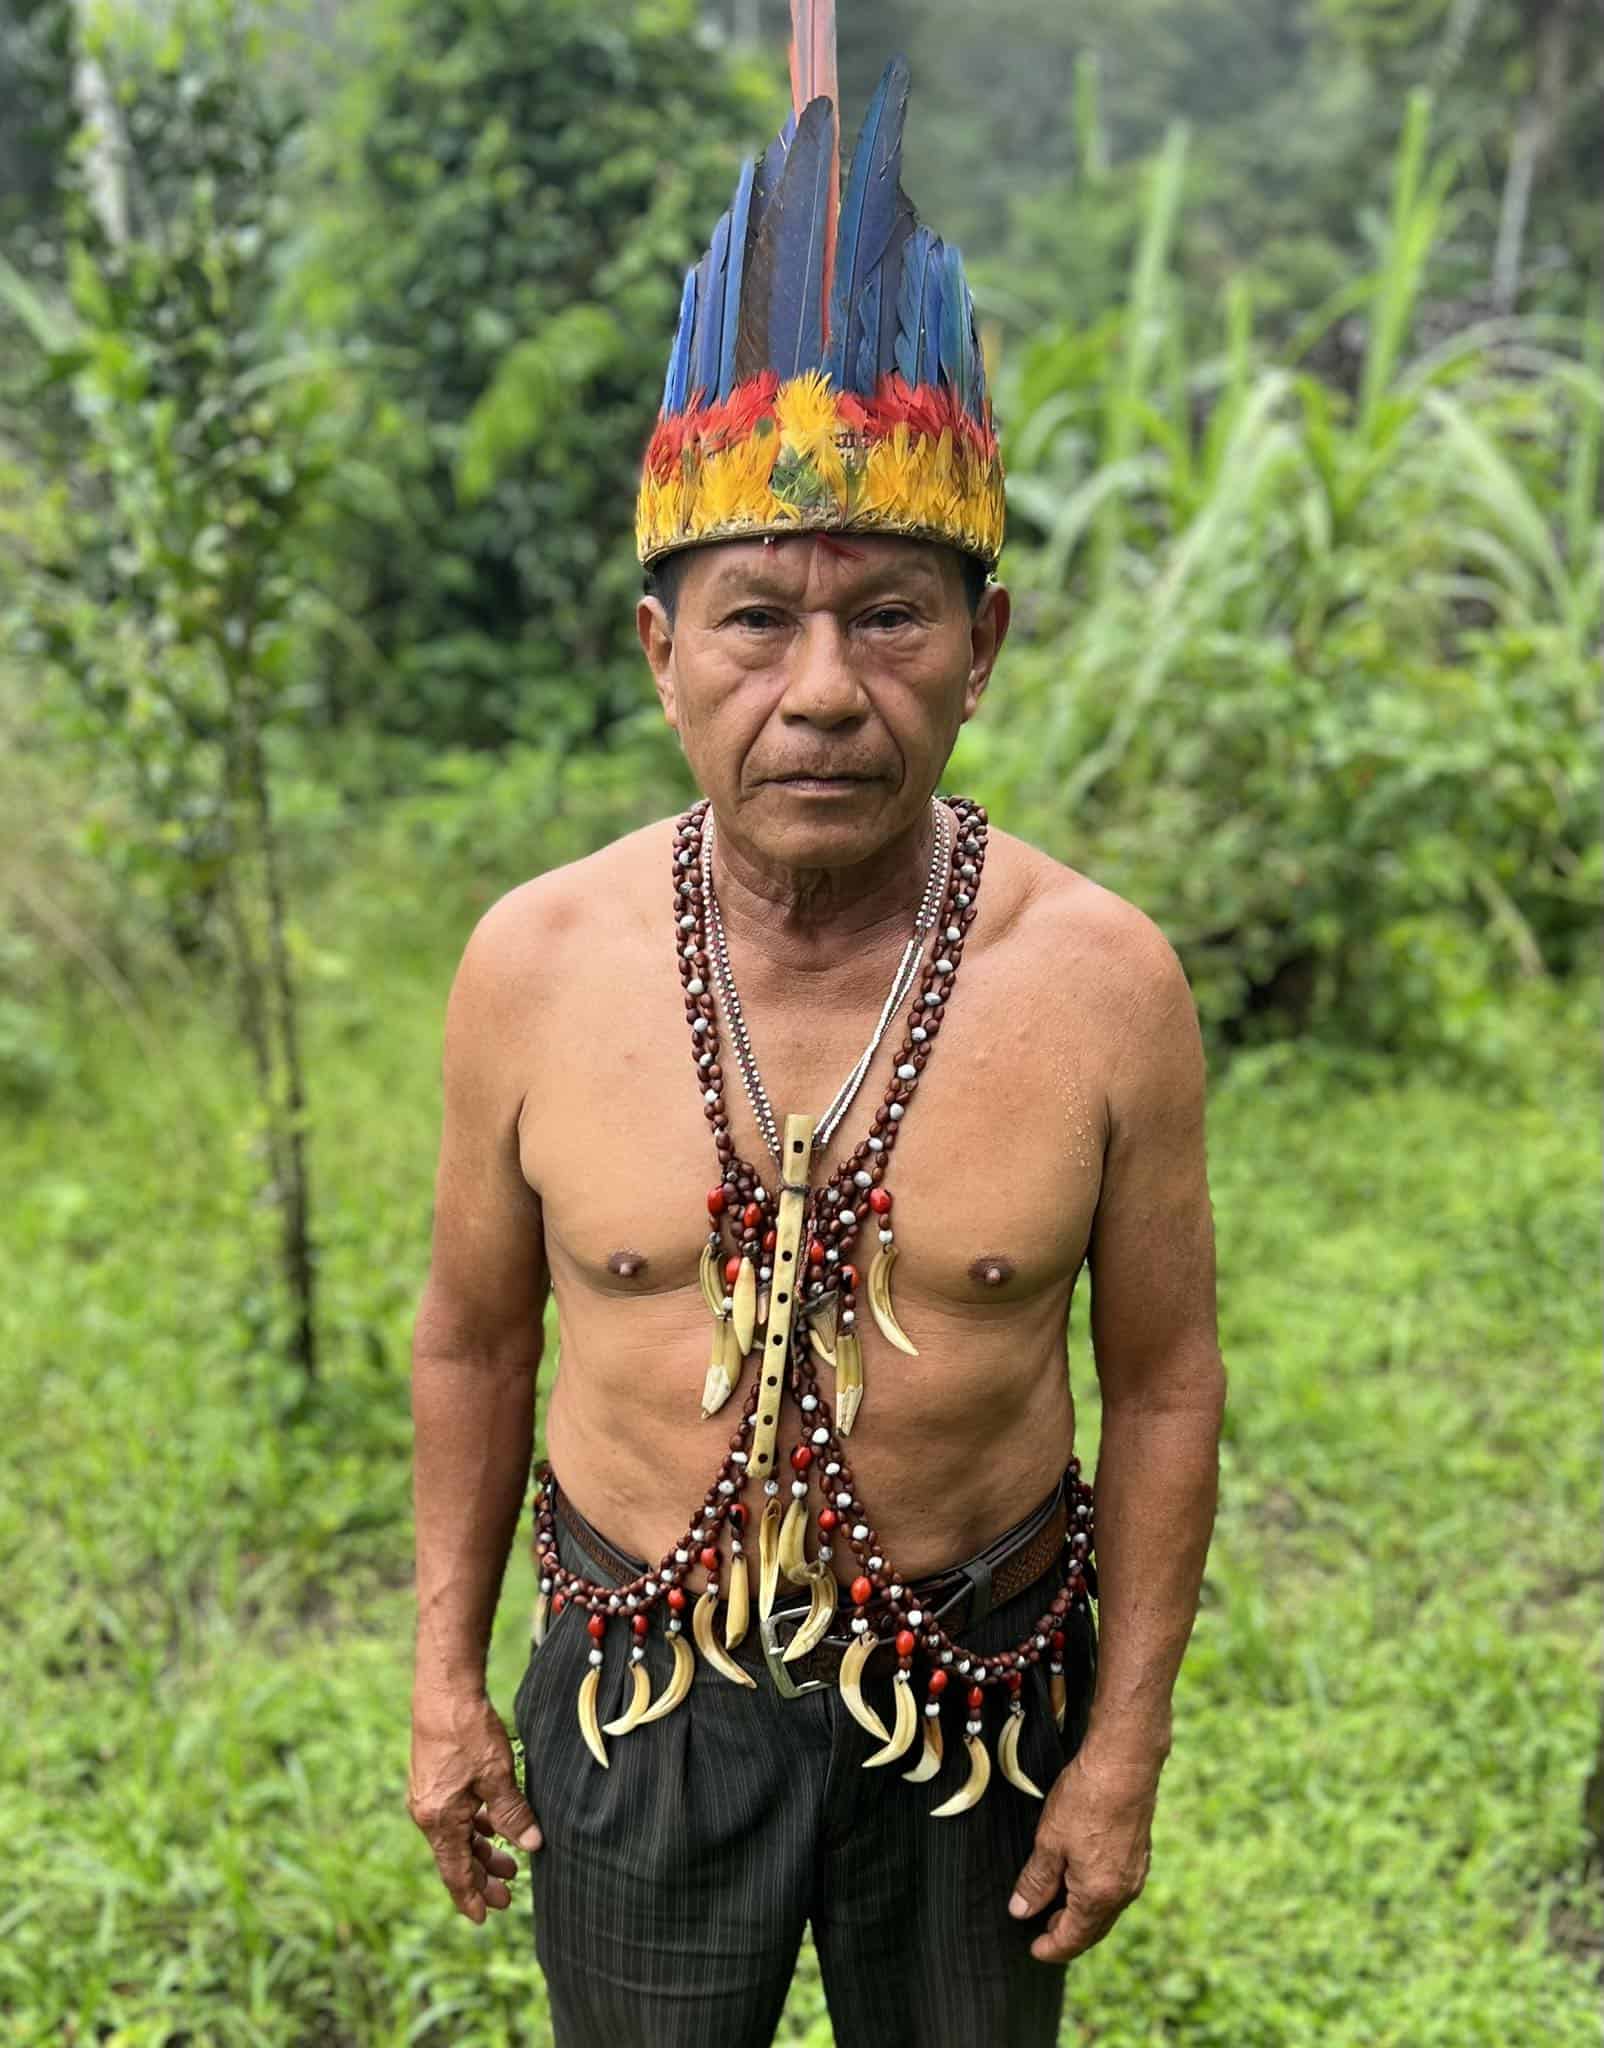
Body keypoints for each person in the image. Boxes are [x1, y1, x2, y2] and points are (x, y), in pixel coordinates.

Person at [406, 9, 1226, 2044]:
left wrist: (1115, 1754)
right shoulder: (533, 959)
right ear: (660, 649)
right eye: (759, 615)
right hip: (635, 1677)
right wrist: (442, 1676)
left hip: (978, 1692)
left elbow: (1171, 1382)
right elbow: (472, 1335)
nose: (825, 686)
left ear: (985, 645)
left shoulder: (1102, 980)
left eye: (890, 612)